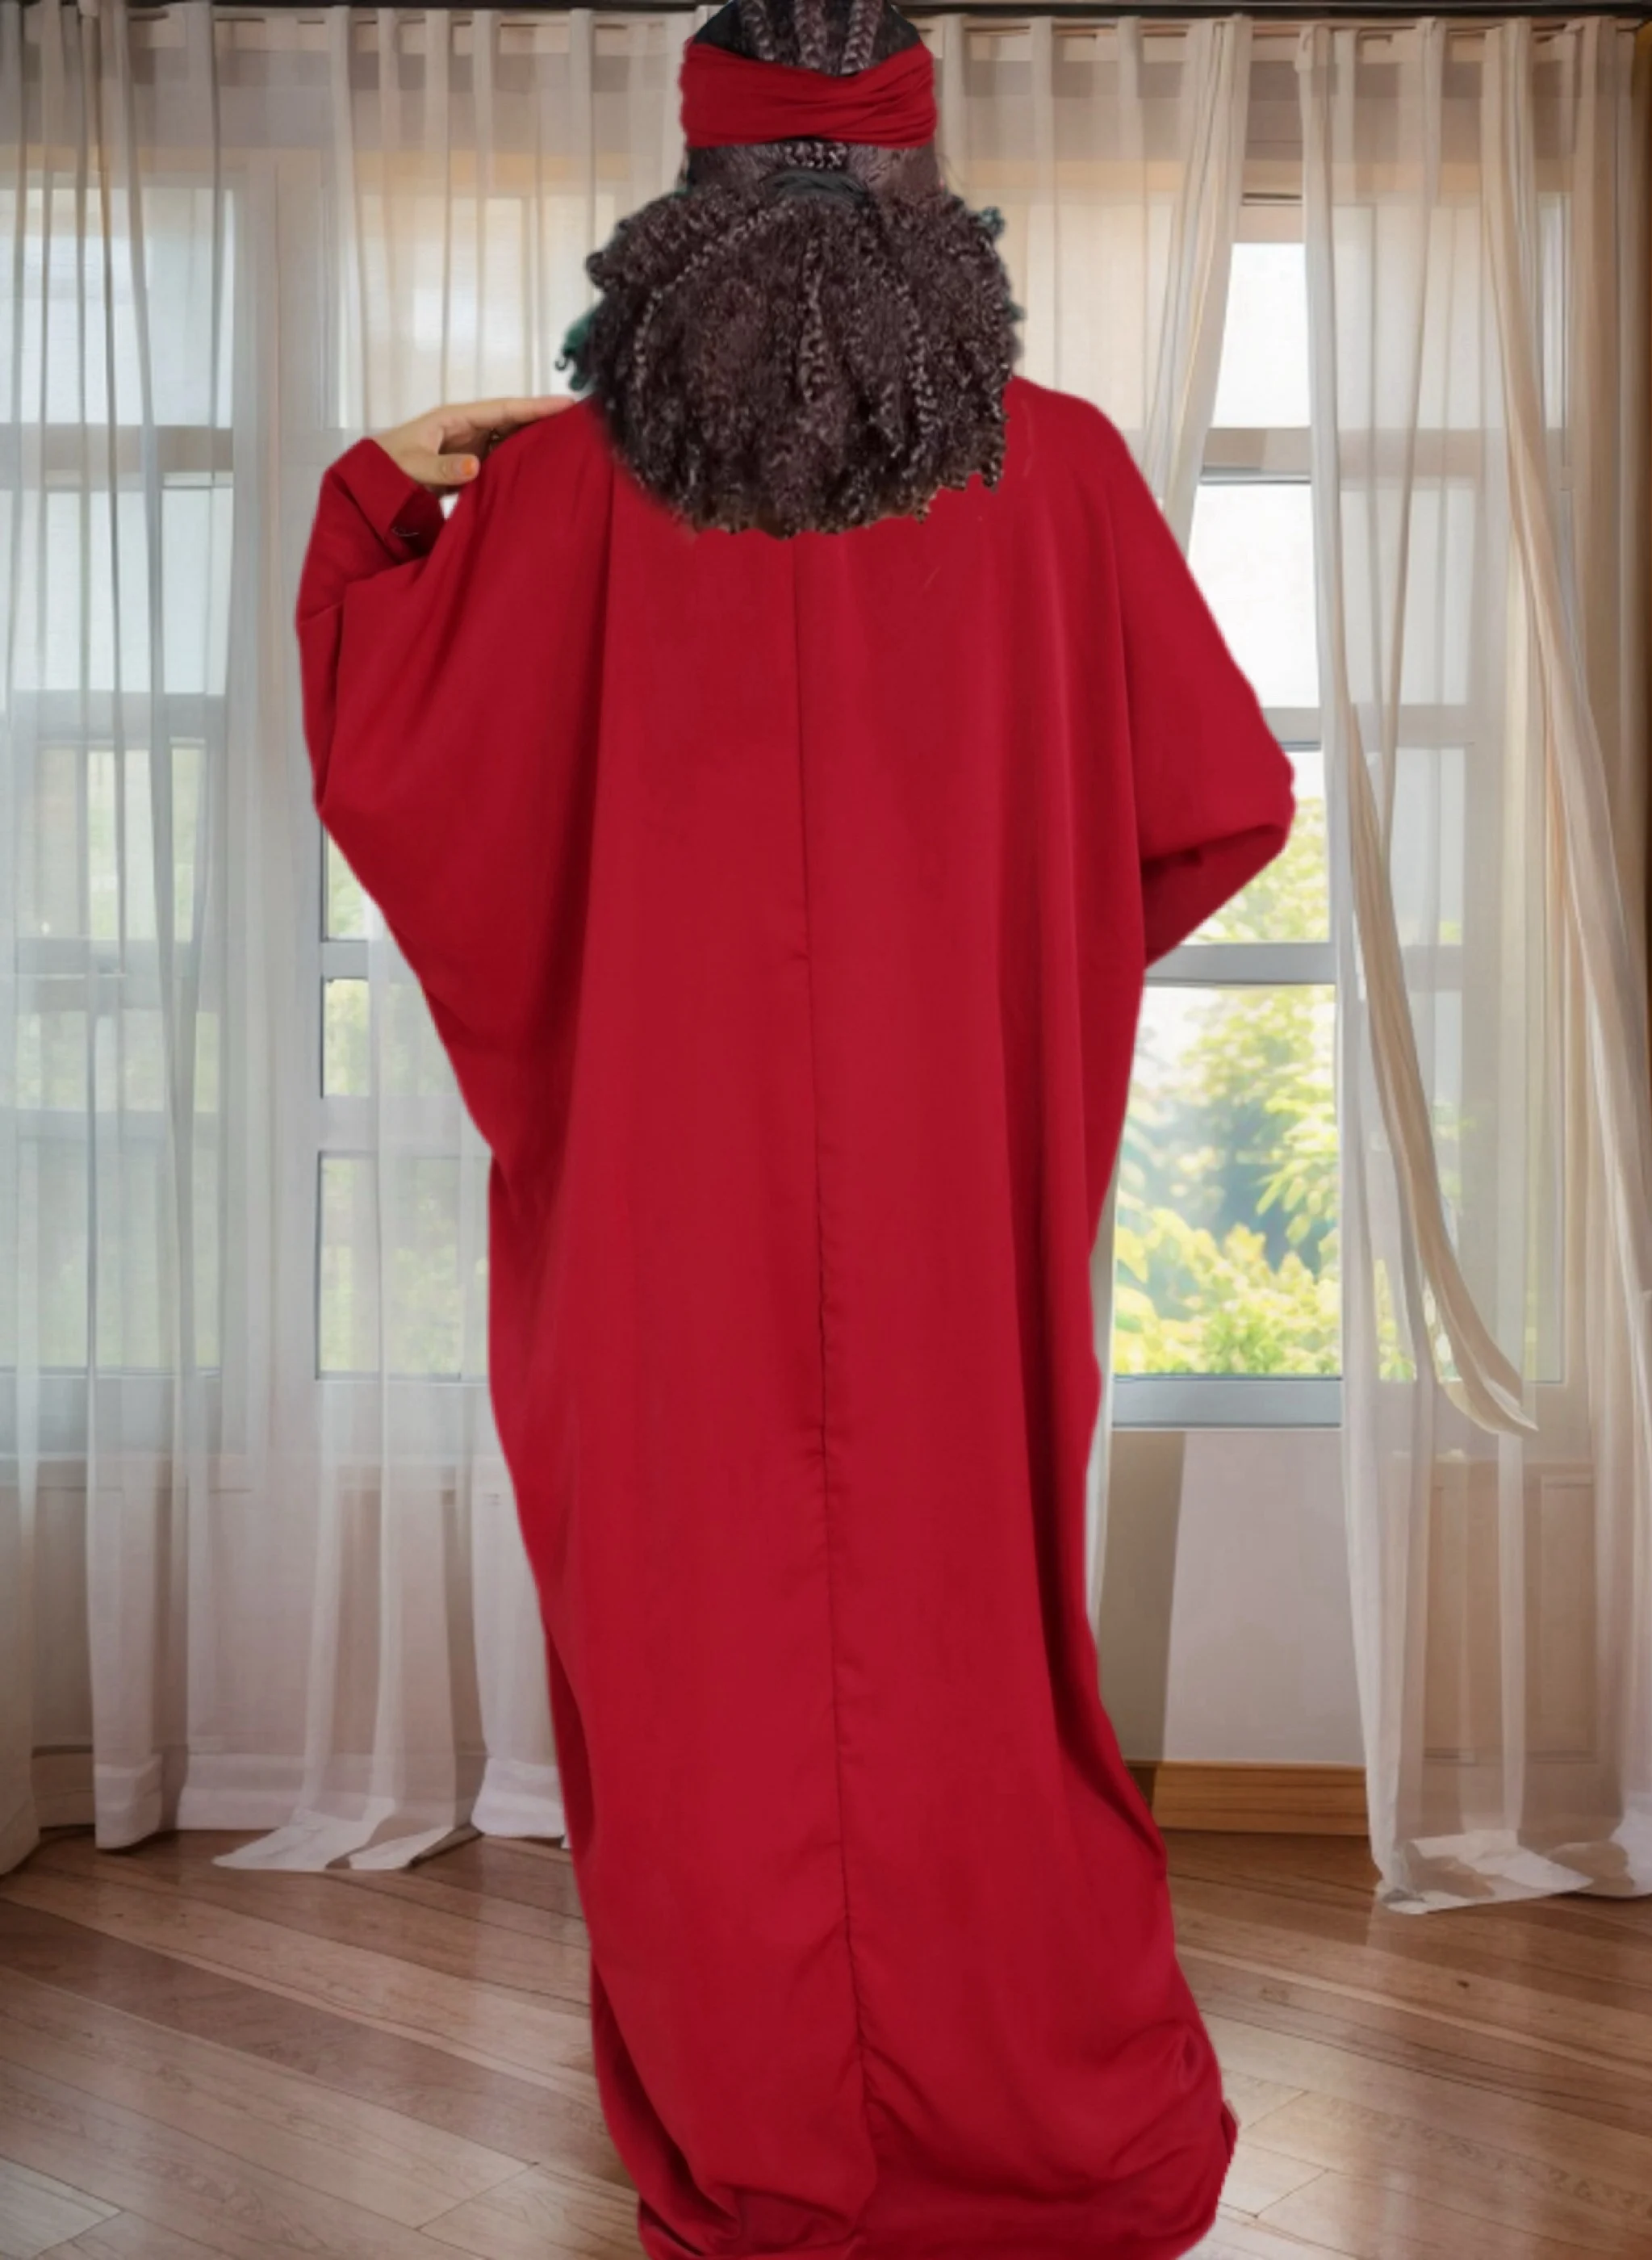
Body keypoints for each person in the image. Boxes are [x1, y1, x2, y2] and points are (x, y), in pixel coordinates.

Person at [295, 2, 1296, 2254]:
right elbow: (1214, 805)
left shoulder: (553, 495)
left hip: (657, 1224)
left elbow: (398, 763)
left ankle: (761, 2119)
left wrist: (380, 491)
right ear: (935, 203)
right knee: (962, 1655)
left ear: (686, 210)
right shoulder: (1059, 471)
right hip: (957, 1201)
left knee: (698, 1678)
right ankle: (1022, 2107)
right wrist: (1008, 974)